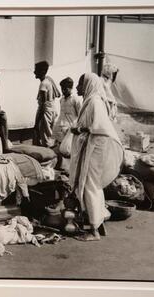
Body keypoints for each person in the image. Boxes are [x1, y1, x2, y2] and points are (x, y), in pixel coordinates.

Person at [69, 73, 124, 241]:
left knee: (88, 185)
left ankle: (93, 231)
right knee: (92, 184)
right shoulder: (91, 101)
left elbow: (99, 128)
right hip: (92, 147)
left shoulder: (94, 102)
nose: (78, 88)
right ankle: (98, 223)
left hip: (95, 149)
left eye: (80, 84)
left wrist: (78, 130)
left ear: (88, 85)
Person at [32, 61, 62, 148]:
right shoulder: (49, 80)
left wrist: (37, 123)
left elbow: (43, 105)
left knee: (45, 138)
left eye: (36, 70)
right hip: (53, 111)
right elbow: (58, 94)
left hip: (46, 113)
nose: (34, 72)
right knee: (50, 136)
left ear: (41, 71)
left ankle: (50, 156)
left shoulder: (43, 84)